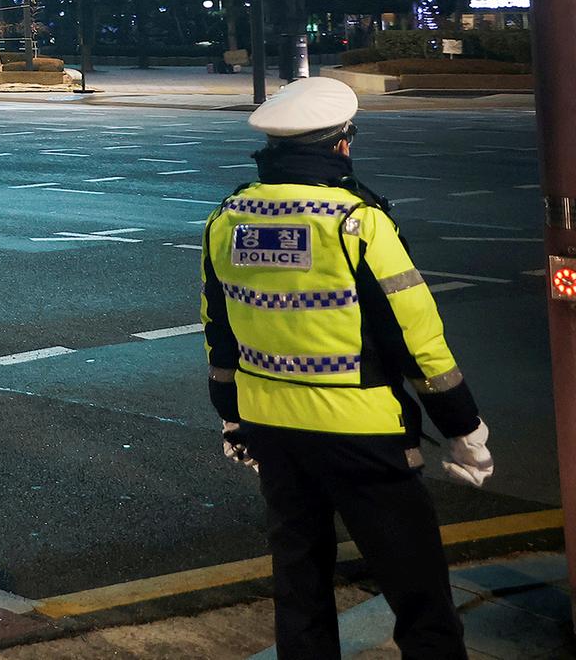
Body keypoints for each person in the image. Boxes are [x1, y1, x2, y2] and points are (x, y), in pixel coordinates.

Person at [202, 76, 492, 658]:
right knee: (418, 590)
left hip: (272, 428)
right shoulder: (357, 223)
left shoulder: (227, 218)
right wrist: (462, 428)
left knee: (300, 581)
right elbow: (416, 339)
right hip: (361, 431)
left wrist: (232, 419)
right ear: (341, 144)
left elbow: (220, 333)